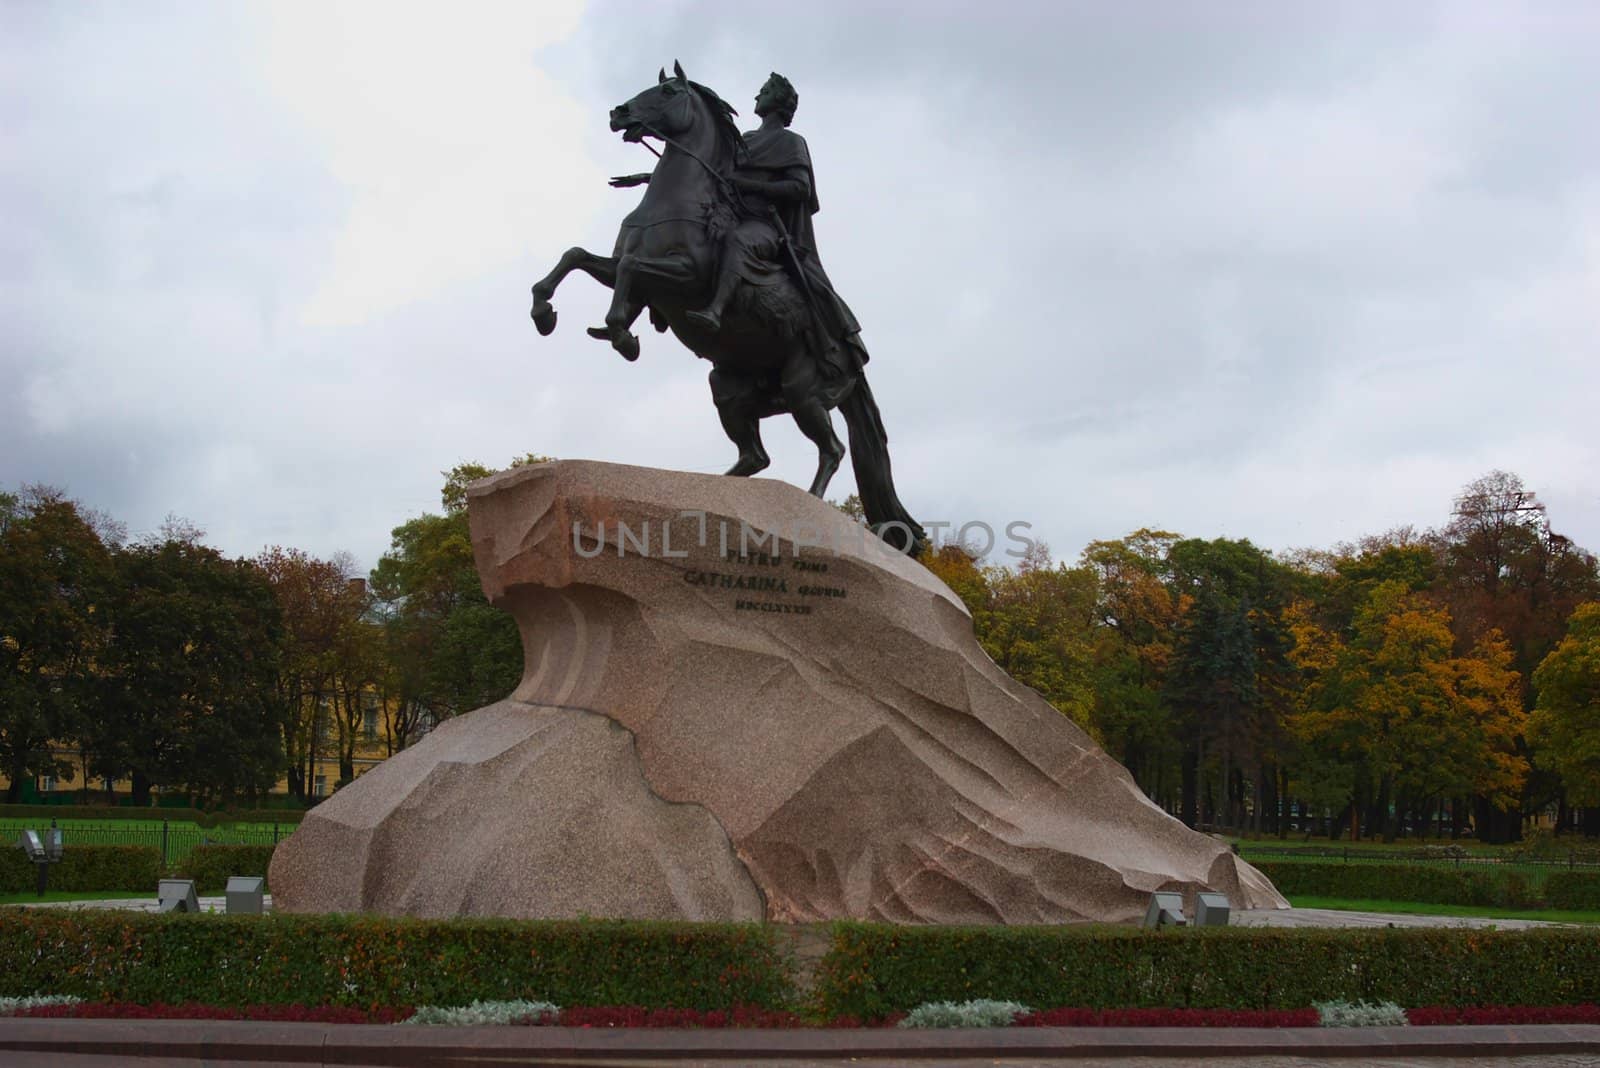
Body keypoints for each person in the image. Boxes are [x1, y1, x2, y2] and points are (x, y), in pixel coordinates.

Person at [681, 73, 868, 379]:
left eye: (765, 91)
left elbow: (800, 188)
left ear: (778, 103)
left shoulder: (790, 142)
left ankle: (715, 309)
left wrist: (749, 183)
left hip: (765, 226)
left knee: (739, 242)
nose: (758, 95)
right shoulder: (746, 140)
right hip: (732, 214)